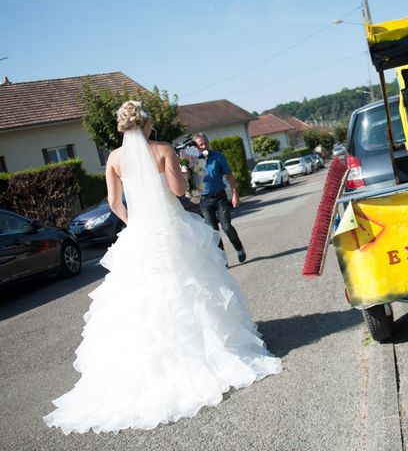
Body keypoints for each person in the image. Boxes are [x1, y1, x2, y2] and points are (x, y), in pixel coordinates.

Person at [43, 101, 281, 434]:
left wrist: (135, 224)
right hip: (172, 229)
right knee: (191, 286)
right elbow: (179, 191)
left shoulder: (113, 159)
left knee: (144, 297)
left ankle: (152, 365)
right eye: (151, 120)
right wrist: (184, 172)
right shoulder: (164, 149)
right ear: (146, 124)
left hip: (140, 234)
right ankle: (209, 352)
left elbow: (114, 203)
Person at [192, 133, 246, 264]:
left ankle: (239, 248)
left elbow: (229, 175)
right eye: (200, 145)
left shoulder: (218, 157)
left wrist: (235, 194)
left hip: (220, 197)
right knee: (213, 232)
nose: (204, 146)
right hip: (205, 201)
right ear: (195, 147)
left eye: (205, 143)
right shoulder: (192, 161)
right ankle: (223, 259)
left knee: (226, 227)